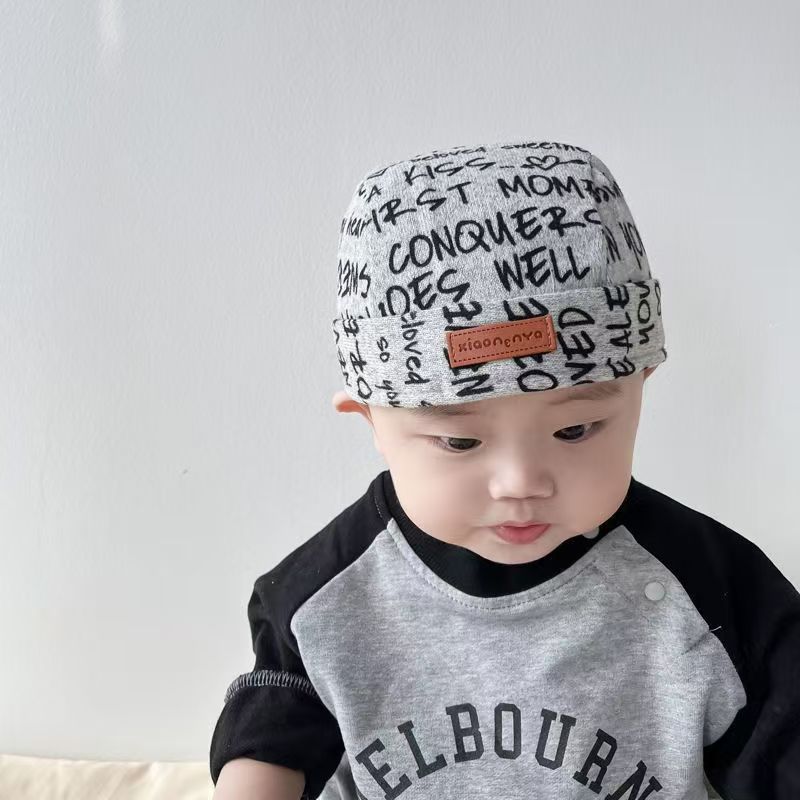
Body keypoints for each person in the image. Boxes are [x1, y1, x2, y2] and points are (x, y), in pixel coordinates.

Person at [209, 140, 800, 800]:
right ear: (371, 419)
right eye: (460, 442)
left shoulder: (709, 591)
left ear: (642, 385)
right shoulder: (332, 596)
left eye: (574, 430)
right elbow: (273, 735)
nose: (520, 482)